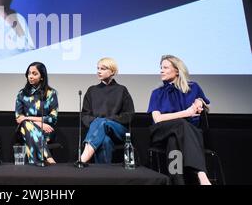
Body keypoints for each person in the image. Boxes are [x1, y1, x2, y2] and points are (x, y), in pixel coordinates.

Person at [147, 54, 211, 185]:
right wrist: (186, 112)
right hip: (161, 132)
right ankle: (201, 174)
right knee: (180, 124)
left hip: (185, 135)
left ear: (177, 70)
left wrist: (200, 102)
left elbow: (204, 106)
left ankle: (177, 181)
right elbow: (158, 119)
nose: (161, 70)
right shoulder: (157, 93)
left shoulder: (193, 87)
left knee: (174, 140)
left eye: (165, 67)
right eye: (161, 67)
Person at [80, 57, 135, 164]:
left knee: (103, 122)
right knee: (105, 141)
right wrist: (98, 122)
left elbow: (128, 115)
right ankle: (103, 175)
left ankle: (83, 158)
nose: (99, 71)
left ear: (112, 71)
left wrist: (108, 120)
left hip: (118, 131)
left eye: (103, 69)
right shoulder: (92, 90)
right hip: (99, 133)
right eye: (98, 68)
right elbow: (85, 115)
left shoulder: (121, 90)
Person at [15, 62, 58, 165]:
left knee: (27, 124)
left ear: (42, 76)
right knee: (26, 125)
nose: (31, 76)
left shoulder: (50, 93)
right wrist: (37, 123)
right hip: (24, 130)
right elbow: (19, 118)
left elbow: (52, 118)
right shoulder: (22, 94)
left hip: (46, 130)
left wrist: (28, 118)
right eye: (29, 73)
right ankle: (47, 156)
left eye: (34, 74)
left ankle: (33, 164)